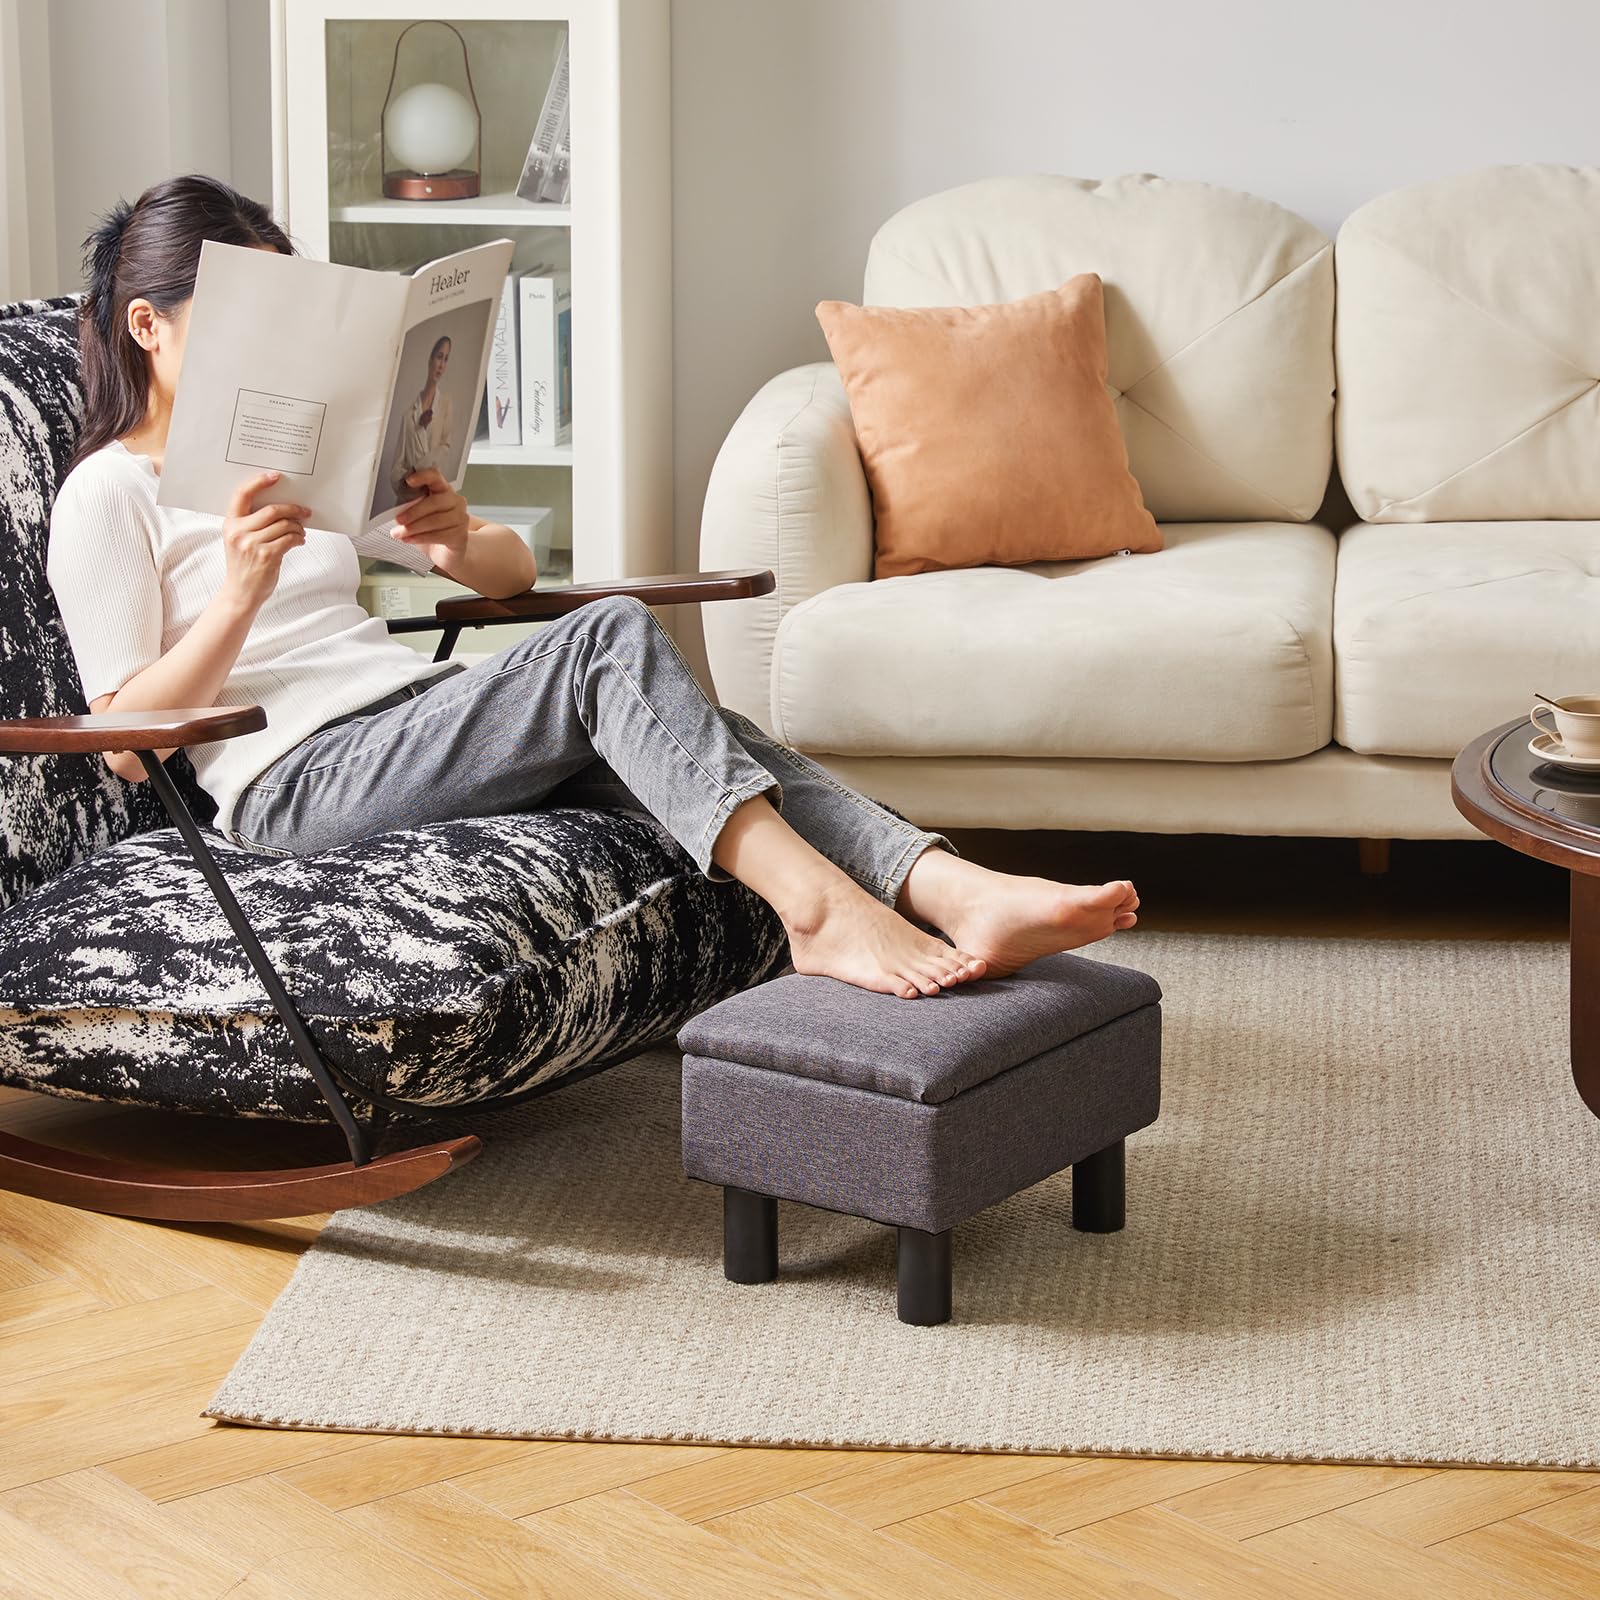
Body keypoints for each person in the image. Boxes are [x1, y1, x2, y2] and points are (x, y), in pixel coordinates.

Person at [48, 174, 1139, 1002]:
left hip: (404, 721)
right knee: (609, 643)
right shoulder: (109, 493)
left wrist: (454, 534)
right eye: (250, 314)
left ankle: (953, 888)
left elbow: (516, 580)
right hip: (293, 779)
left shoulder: (298, 449)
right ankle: (818, 911)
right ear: (151, 324)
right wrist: (237, 597)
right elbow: (128, 737)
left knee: (709, 734)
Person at [388, 334, 454, 506]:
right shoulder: (408, 414)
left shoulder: (445, 404)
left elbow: (445, 447)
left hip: (431, 497)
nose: (441, 365)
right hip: (405, 501)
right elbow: (396, 467)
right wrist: (406, 481)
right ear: (430, 359)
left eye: (446, 359)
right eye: (439, 357)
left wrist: (418, 470)